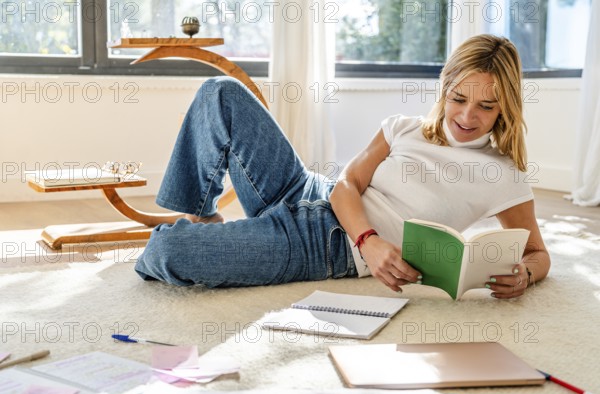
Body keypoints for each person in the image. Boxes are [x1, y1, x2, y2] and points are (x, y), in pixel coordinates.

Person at [135, 34, 551, 299]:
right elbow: (346, 184)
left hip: (325, 246)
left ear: (505, 107)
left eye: (485, 106)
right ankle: (202, 215)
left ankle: (232, 235)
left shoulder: (502, 174)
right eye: (458, 98)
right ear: (445, 87)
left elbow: (537, 253)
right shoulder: (404, 128)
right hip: (309, 190)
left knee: (166, 250)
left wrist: (526, 276)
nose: (465, 116)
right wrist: (369, 239)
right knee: (220, 91)